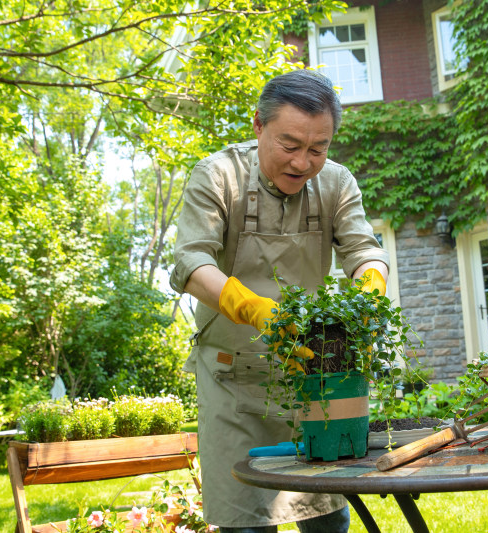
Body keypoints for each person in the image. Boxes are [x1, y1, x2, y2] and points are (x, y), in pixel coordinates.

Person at [169, 69, 389, 533]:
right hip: (233, 380)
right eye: (289, 145)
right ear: (258, 126)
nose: (303, 162)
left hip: (312, 375)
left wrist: (370, 291)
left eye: (318, 148)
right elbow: (191, 264)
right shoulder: (218, 176)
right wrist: (251, 307)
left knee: (327, 520)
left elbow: (364, 251)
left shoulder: (336, 183)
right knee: (246, 523)